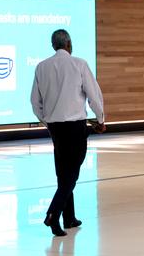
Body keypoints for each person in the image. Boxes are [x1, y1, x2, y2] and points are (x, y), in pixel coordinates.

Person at [30, 29, 106, 237]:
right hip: (75, 126)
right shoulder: (79, 64)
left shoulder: (41, 67)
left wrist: (47, 122)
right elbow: (93, 94)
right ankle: (53, 214)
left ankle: (69, 218)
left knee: (63, 172)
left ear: (53, 45)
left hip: (56, 128)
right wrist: (100, 119)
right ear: (69, 44)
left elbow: (35, 103)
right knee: (72, 174)